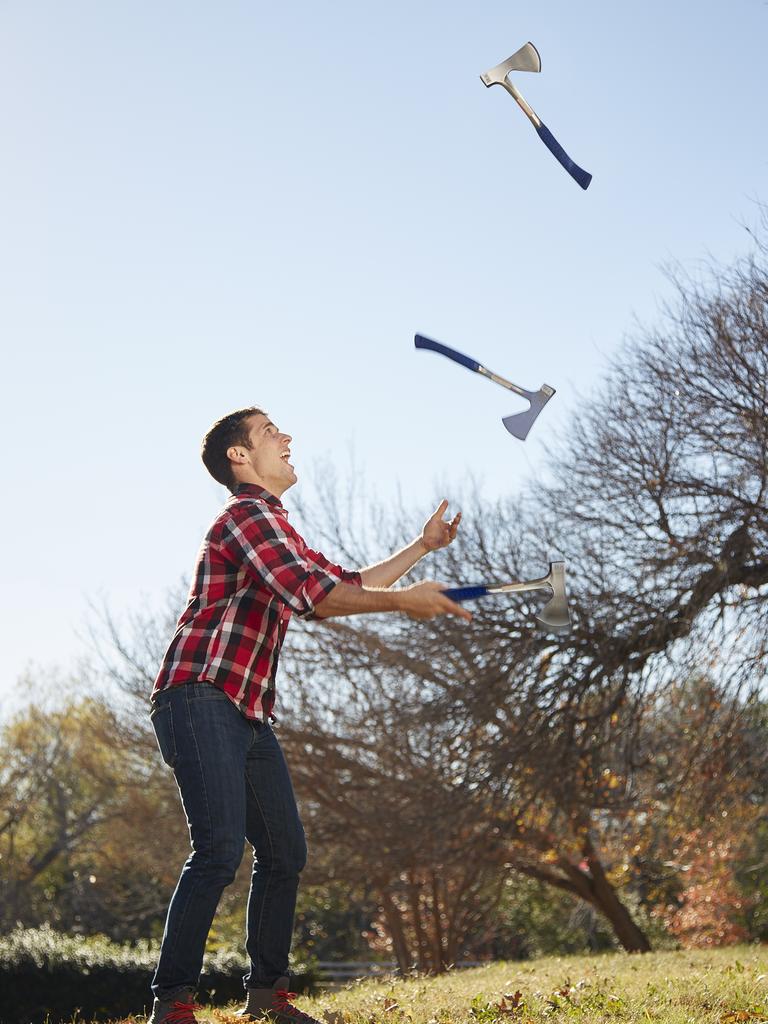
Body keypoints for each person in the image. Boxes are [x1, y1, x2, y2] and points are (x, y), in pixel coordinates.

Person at [147, 406, 470, 1024]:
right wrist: (404, 603)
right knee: (217, 848)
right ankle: (172, 1005)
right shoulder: (245, 516)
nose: (286, 437)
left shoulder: (277, 527)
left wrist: (420, 549)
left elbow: (341, 584)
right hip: (198, 694)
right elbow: (314, 594)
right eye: (271, 432)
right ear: (239, 457)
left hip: (244, 707)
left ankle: (267, 999)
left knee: (285, 851)